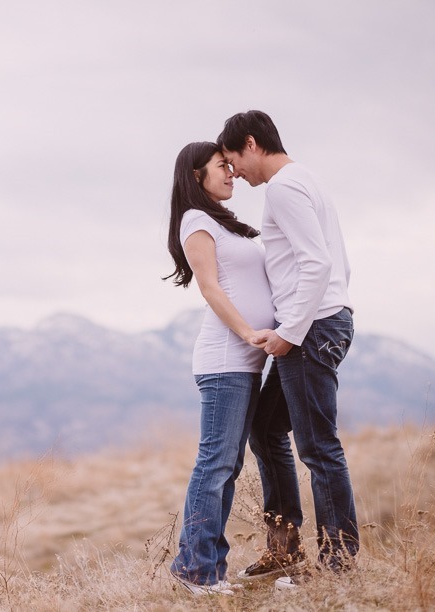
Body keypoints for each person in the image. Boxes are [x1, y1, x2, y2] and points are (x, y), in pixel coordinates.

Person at [217, 110, 358, 587]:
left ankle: (339, 564)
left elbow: (316, 262)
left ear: (251, 143)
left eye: (234, 159)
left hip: (310, 329)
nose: (234, 171)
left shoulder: (283, 186)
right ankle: (284, 548)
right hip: (321, 321)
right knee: (266, 425)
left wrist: (291, 330)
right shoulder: (306, 180)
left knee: (319, 448)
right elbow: (336, 260)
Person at [163, 141, 276, 595]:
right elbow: (209, 288)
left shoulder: (223, 224)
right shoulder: (196, 222)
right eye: (221, 167)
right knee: (215, 465)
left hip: (244, 364)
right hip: (225, 360)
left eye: (231, 166)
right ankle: (195, 570)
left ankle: (204, 566)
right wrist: (249, 333)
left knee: (225, 465)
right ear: (196, 176)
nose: (231, 174)